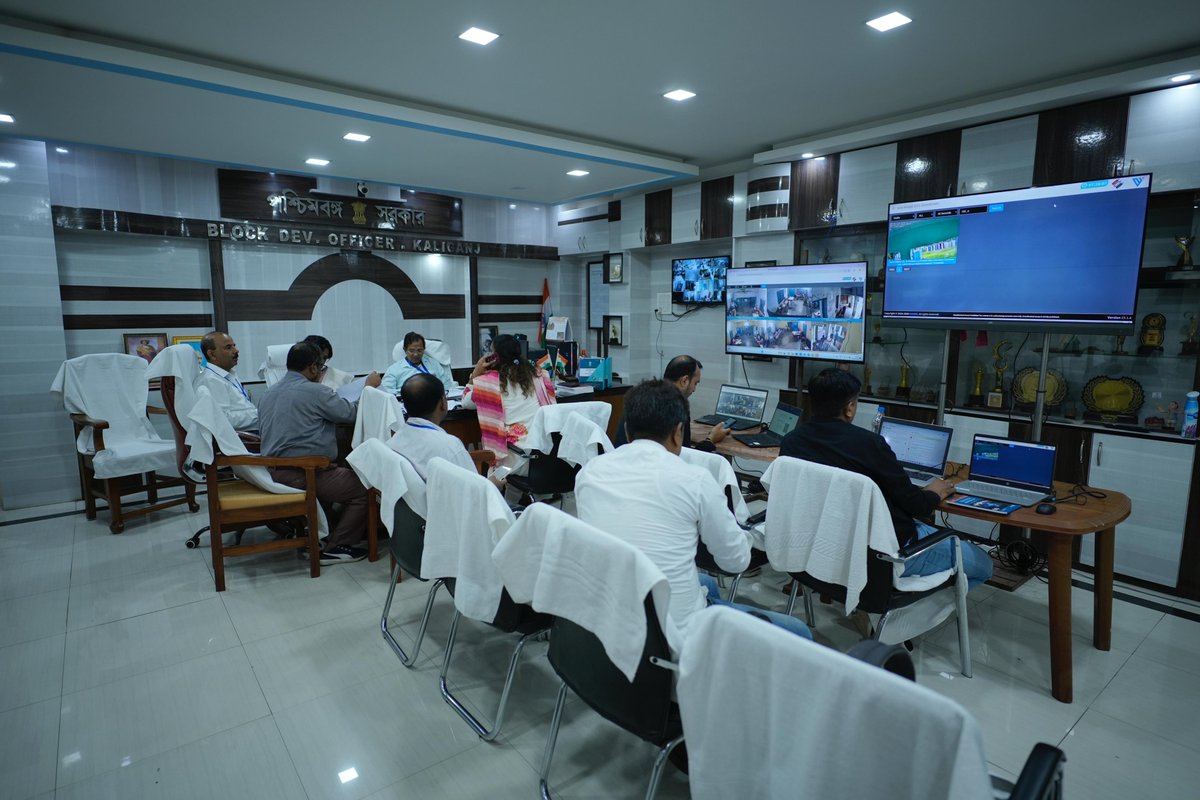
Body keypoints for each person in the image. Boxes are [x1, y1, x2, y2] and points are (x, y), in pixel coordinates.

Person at [576, 379, 811, 645]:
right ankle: (708, 653)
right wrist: (748, 534)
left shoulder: (589, 472)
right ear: (678, 432)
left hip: (607, 618)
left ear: (628, 431)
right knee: (799, 632)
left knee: (706, 584)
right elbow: (735, 562)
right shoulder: (696, 480)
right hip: (672, 638)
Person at [779, 368, 992, 589]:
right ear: (849, 408)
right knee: (984, 565)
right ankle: (916, 604)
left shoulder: (792, 442)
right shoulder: (869, 444)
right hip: (885, 555)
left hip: (823, 546)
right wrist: (933, 493)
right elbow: (914, 505)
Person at [258, 341, 383, 564]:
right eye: (321, 367)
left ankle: (324, 535)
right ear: (313, 368)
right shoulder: (316, 392)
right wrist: (369, 388)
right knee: (366, 486)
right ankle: (338, 546)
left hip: (272, 472)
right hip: (306, 473)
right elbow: (351, 414)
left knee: (340, 473)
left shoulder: (268, 393)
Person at [461, 333, 555, 465]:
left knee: (488, 469)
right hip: (545, 452)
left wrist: (475, 374)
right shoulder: (540, 375)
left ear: (494, 358)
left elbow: (465, 402)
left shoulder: (487, 384)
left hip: (517, 457)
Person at [612, 355, 728, 450]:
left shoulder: (639, 398)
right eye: (695, 383)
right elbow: (684, 457)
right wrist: (710, 440)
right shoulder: (677, 408)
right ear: (684, 381)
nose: (694, 389)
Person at [386, 373, 475, 479]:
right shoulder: (450, 446)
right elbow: (475, 487)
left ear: (404, 406)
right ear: (442, 402)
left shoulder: (394, 441)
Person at [198, 331, 258, 432]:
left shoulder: (228, 373)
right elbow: (223, 420)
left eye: (234, 346)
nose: (236, 350)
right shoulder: (211, 380)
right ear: (212, 354)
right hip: (244, 437)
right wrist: (258, 414)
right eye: (228, 347)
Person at [381, 332, 452, 394]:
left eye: (419, 350)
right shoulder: (394, 370)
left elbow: (449, 386)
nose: (416, 354)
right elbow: (386, 392)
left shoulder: (433, 364)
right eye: (411, 351)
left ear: (424, 349)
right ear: (405, 350)